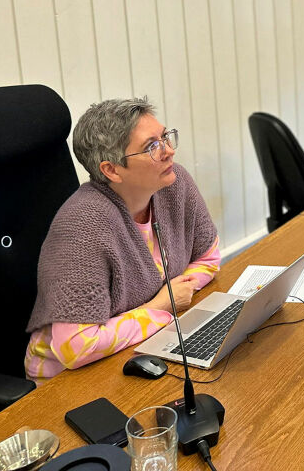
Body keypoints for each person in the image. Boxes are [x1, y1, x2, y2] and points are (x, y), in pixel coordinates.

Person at [25, 97, 220, 383]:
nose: (168, 152)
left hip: (138, 347)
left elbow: (208, 257)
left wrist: (174, 298)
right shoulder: (83, 225)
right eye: (151, 146)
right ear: (111, 170)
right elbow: (76, 347)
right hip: (65, 381)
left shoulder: (174, 184)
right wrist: (161, 306)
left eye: (165, 137)